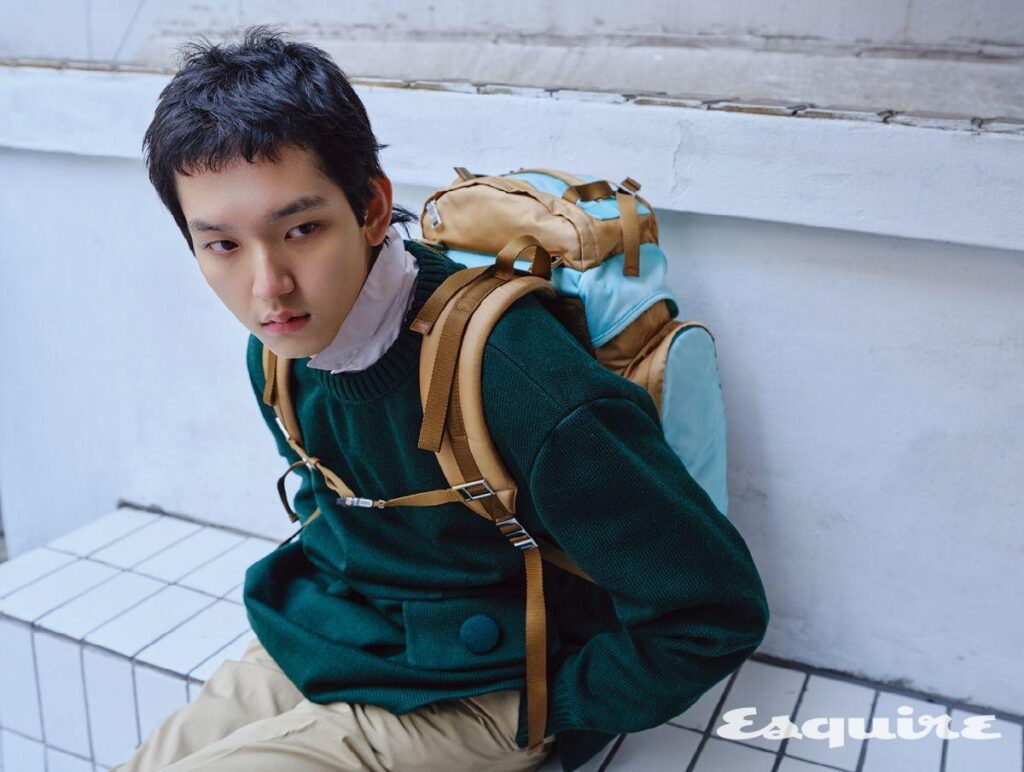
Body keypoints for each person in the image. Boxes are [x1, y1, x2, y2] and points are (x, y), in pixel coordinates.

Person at [116, 23, 771, 772]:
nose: (268, 287)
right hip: (346, 633)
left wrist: (557, 709)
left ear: (372, 208)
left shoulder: (515, 377)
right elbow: (333, 506)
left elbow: (715, 610)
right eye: (223, 245)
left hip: (487, 684)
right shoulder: (278, 354)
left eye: (301, 229)